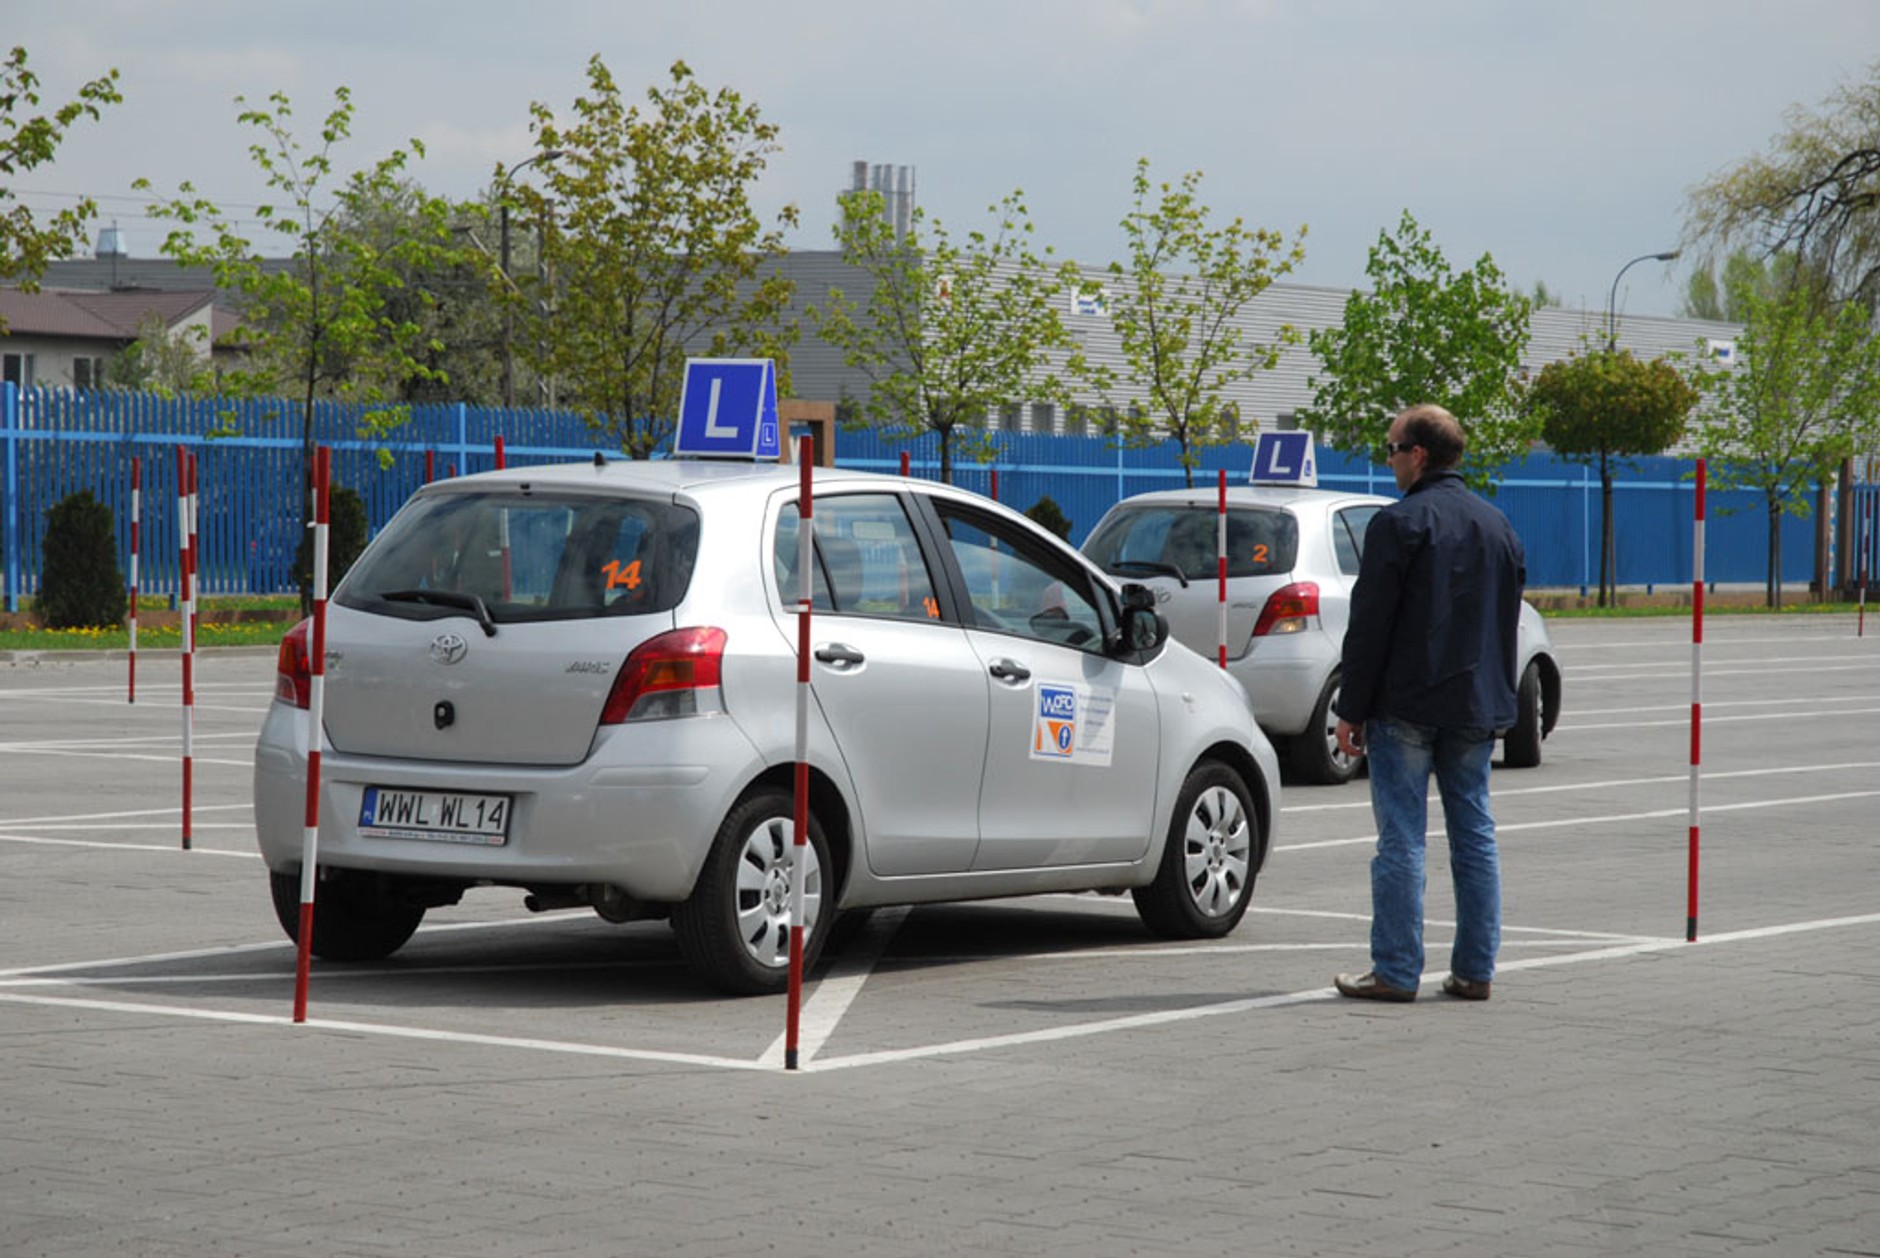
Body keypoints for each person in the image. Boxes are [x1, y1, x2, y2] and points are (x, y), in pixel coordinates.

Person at [1332, 404, 1525, 1004]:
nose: (1387, 460)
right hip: (1474, 705)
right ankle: (1475, 970)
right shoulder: (1497, 525)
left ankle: (1394, 970)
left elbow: (1370, 624)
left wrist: (1350, 707)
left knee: (1402, 839)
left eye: (1391, 449)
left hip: (1407, 704)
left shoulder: (1398, 523)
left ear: (1417, 455)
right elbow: (1506, 620)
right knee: (1475, 835)